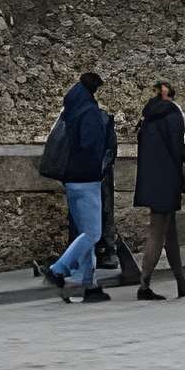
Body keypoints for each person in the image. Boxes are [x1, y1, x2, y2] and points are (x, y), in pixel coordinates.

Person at [37, 72, 118, 303]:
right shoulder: (90, 112)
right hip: (87, 180)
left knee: (85, 234)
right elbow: (90, 145)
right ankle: (58, 270)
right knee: (93, 233)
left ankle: (88, 284)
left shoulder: (71, 109)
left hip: (72, 180)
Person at [130, 83, 185, 301]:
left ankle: (181, 282)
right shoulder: (172, 117)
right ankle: (144, 285)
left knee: (170, 234)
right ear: (171, 98)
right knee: (158, 233)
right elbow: (179, 152)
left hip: (150, 179)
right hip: (167, 180)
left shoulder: (147, 117)